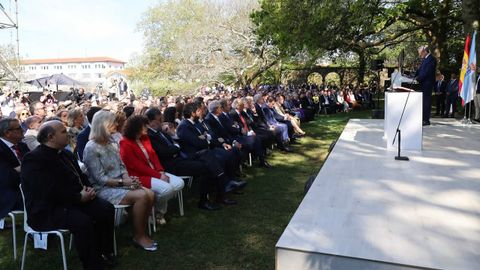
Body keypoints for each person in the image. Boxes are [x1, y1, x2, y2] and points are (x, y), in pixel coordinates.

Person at [20, 120, 115, 270]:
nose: (68, 134)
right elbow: (46, 190)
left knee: (106, 209)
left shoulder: (65, 153)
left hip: (74, 200)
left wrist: (89, 189)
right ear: (51, 137)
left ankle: (103, 252)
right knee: (82, 221)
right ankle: (92, 265)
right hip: (48, 209)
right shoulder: (34, 159)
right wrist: (78, 197)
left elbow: (80, 176)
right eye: (63, 132)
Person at [83, 110, 157, 251]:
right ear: (103, 125)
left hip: (119, 183)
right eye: (113, 122)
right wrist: (124, 183)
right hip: (102, 189)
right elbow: (99, 178)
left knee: (151, 194)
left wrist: (128, 179)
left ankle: (140, 229)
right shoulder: (91, 147)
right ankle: (139, 236)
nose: (117, 124)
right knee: (142, 196)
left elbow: (122, 166)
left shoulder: (112, 142)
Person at [145, 107, 221, 211]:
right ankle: (204, 201)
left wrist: (171, 137)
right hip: (170, 165)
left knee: (206, 153)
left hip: (179, 157)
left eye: (161, 119)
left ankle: (220, 180)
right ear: (150, 121)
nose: (161, 122)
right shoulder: (150, 135)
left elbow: (175, 143)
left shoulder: (160, 131)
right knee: (204, 167)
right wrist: (175, 147)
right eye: (159, 120)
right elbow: (165, 152)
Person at [119, 115, 185, 223]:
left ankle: (156, 212)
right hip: (139, 176)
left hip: (154, 171)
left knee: (179, 183)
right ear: (136, 128)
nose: (147, 127)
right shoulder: (125, 143)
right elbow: (136, 166)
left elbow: (153, 156)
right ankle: (154, 212)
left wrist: (160, 171)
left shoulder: (145, 138)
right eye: (144, 125)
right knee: (167, 189)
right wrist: (159, 176)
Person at [0, 118, 29, 220]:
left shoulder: (22, 146)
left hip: (28, 186)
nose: (23, 129)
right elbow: (6, 178)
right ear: (7, 133)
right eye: (19, 128)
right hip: (9, 194)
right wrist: (26, 166)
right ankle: (39, 231)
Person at [416, 46, 437, 126]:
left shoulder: (431, 59)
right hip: (423, 83)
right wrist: (414, 75)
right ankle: (422, 118)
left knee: (426, 102)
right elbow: (420, 70)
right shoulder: (425, 59)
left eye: (420, 54)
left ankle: (426, 120)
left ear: (424, 51)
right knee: (423, 102)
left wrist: (418, 78)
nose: (420, 55)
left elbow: (427, 72)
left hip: (427, 83)